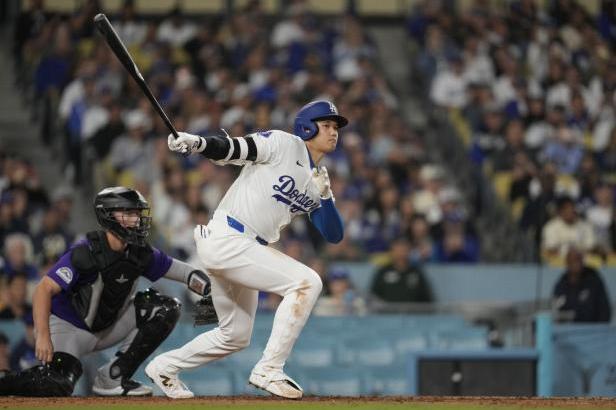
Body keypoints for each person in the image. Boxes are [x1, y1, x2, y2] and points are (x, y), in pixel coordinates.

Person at [146, 100, 347, 399]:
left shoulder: (317, 178)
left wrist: (326, 197)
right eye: (327, 124)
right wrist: (198, 142)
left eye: (336, 127)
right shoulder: (283, 144)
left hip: (245, 248)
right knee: (307, 282)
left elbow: (333, 235)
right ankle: (269, 369)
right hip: (230, 237)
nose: (333, 132)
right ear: (307, 126)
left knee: (234, 336)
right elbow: (234, 149)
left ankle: (164, 366)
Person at [0, 186, 216, 397]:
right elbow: (43, 289)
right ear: (109, 216)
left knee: (166, 307)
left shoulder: (140, 252)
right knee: (57, 383)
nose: (137, 219)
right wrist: (43, 336)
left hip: (110, 326)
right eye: (130, 213)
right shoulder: (85, 252)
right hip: (70, 330)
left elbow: (182, 272)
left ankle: (113, 378)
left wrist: (209, 286)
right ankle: (5, 382)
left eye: (137, 213)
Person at [552, 248, 612, 323]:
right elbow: (557, 313)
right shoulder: (561, 284)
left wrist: (599, 329)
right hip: (570, 330)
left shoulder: (593, 279)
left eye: (579, 259)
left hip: (594, 330)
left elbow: (605, 310)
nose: (577, 263)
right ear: (567, 263)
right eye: (574, 260)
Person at [371, 238, 433, 303]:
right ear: (392, 251)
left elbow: (428, 300)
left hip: (412, 312)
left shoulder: (417, 273)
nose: (401, 253)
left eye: (404, 250)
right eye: (398, 250)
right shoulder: (383, 272)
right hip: (388, 312)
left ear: (409, 251)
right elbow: (373, 297)